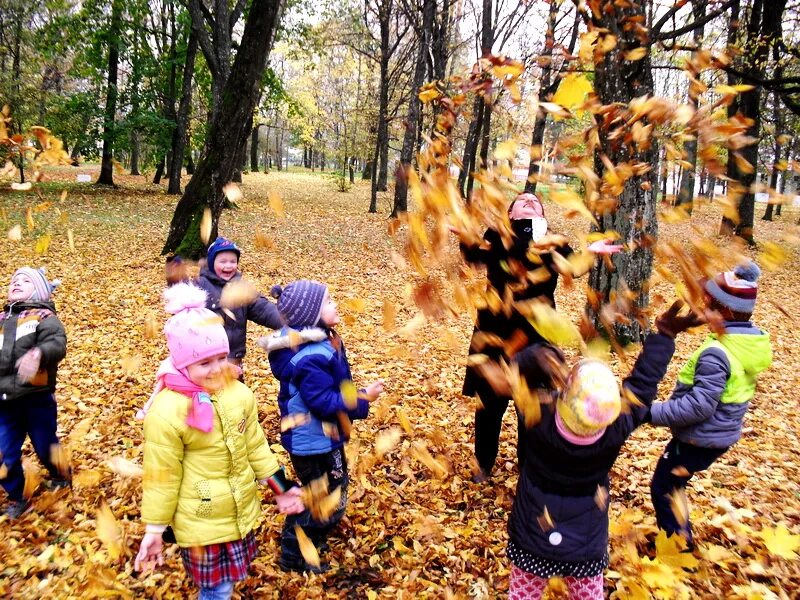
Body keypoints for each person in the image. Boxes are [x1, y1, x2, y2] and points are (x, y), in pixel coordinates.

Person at [496, 301, 702, 600]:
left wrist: (541, 352)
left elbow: (521, 378)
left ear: (564, 398)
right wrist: (665, 335)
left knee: (523, 594)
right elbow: (642, 388)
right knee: (588, 594)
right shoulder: (615, 428)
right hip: (585, 543)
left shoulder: (537, 418)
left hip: (533, 537)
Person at [134, 283, 303, 600]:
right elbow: (161, 477)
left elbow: (255, 446)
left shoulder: (238, 394)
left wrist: (280, 488)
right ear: (182, 363)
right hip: (202, 521)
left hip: (238, 511)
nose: (216, 370)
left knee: (226, 583)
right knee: (216, 589)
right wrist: (155, 530)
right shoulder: (167, 412)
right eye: (204, 363)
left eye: (221, 358)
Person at [452, 192, 620, 481]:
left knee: (531, 409)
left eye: (535, 201)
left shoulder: (553, 242)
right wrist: (466, 236)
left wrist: (590, 252)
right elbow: (475, 257)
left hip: (536, 339)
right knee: (489, 407)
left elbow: (572, 267)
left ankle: (528, 465)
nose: (529, 201)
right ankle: (483, 463)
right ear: (512, 214)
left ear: (542, 215)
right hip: (494, 336)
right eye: (522, 200)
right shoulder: (498, 235)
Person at [260, 280, 383, 573]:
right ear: (310, 315)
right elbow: (324, 401)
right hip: (312, 442)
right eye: (328, 302)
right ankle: (294, 551)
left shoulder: (323, 341)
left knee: (335, 489)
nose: (335, 305)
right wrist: (364, 398)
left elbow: (332, 388)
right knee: (321, 496)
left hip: (325, 437)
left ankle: (313, 534)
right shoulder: (311, 356)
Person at [648, 262, 772, 547]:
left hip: (698, 439)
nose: (700, 311)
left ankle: (679, 551)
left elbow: (698, 406)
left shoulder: (717, 354)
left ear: (724, 312)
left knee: (664, 488)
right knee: (673, 485)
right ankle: (679, 538)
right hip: (719, 435)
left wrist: (651, 412)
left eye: (708, 305)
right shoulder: (747, 345)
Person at [0, 267, 68, 519]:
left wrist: (38, 354)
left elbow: (56, 343)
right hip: (5, 402)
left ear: (38, 289)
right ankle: (17, 496)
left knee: (45, 443)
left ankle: (60, 472)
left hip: (36, 397)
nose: (16, 282)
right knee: (4, 452)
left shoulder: (43, 317)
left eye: (25, 280)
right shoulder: (1, 319)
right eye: (13, 280)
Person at [195, 236, 282, 369]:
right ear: (212, 263)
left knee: (235, 389)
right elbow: (185, 312)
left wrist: (289, 320)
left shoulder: (241, 288)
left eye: (233, 261)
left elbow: (263, 308)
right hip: (205, 358)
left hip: (233, 359)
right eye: (223, 261)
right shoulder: (200, 286)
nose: (228, 266)